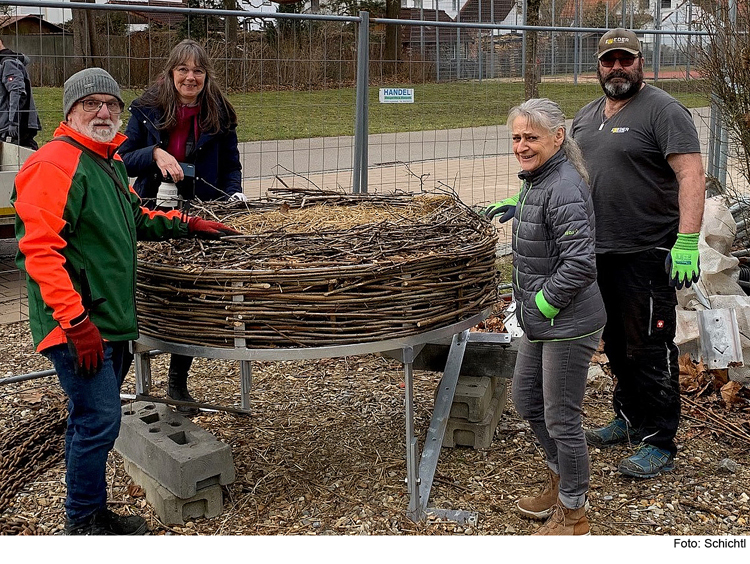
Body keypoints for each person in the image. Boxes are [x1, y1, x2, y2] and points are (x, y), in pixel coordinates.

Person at [11, 67, 238, 535]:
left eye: (111, 104)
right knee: (97, 421)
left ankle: (89, 511)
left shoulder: (108, 161)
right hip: (78, 323)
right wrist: (74, 323)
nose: (103, 112)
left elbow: (135, 216)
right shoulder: (54, 163)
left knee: (94, 420)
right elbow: (38, 250)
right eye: (91, 103)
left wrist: (186, 224)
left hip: (106, 319)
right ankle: (84, 522)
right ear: (70, 112)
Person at [571, 28, 705, 479]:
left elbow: (690, 174)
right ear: (598, 65)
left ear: (640, 62)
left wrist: (686, 241)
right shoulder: (587, 117)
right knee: (614, 345)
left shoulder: (663, 110)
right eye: (609, 61)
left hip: (647, 251)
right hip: (597, 252)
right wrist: (527, 198)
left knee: (649, 345)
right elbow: (566, 173)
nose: (617, 68)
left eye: (625, 60)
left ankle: (659, 439)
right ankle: (628, 420)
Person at [483, 98, 606, 535]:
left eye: (531, 137)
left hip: (567, 322)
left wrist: (539, 306)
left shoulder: (564, 185)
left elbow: (580, 264)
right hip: (543, 320)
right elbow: (552, 233)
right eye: (516, 137)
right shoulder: (538, 182)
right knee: (526, 401)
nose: (521, 145)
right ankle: (560, 481)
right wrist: (524, 210)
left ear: (558, 137)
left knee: (561, 417)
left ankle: (574, 513)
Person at [119, 39, 245, 415]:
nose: (190, 78)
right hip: (155, 210)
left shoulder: (220, 111)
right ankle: (131, 374)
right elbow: (123, 158)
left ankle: (177, 379)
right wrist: (154, 153)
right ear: (170, 72)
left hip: (202, 209)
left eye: (198, 71)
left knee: (190, 293)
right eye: (183, 70)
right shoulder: (146, 108)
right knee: (151, 287)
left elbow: (232, 165)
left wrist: (234, 196)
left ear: (207, 76)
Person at [0, 37, 41, 149]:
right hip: (6, 124)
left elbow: (17, 92)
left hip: (13, 126)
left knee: (22, 156)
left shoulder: (8, 63)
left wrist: (13, 122)